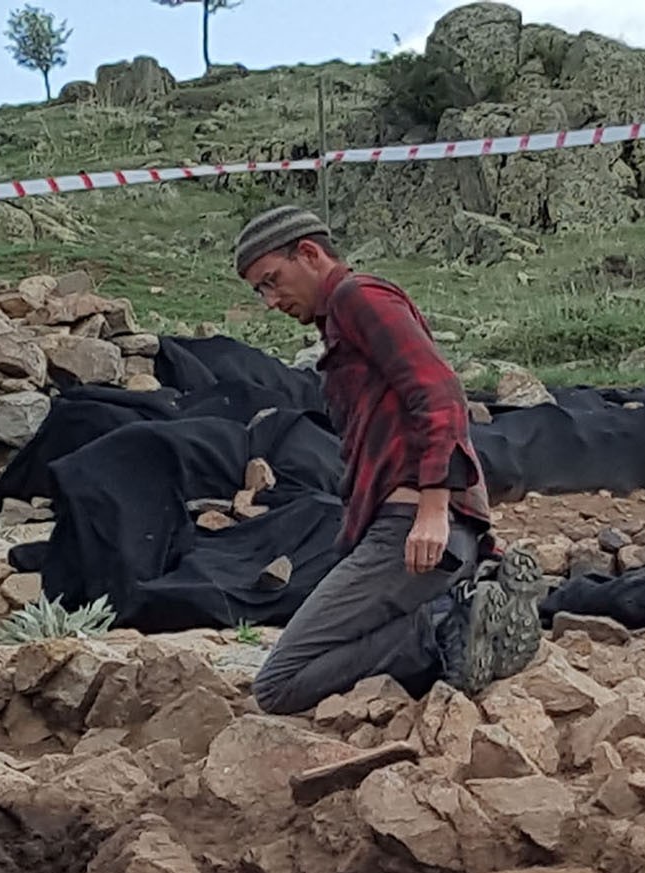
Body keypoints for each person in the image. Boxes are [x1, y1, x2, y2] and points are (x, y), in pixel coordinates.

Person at [232, 205, 547, 716]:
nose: (271, 301)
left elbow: (439, 391)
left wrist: (433, 509)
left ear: (309, 253)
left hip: (411, 531)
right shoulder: (343, 319)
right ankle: (463, 607)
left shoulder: (358, 298)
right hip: (430, 534)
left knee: (277, 685)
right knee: (333, 644)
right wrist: (473, 528)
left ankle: (445, 626)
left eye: (272, 281)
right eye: (259, 291)